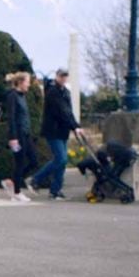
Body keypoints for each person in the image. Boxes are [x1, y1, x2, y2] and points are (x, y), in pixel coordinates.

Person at [30, 68, 84, 200]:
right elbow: (61, 111)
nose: (64, 78)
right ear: (57, 76)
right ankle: (35, 179)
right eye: (62, 76)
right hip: (53, 130)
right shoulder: (53, 91)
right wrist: (74, 127)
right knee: (61, 159)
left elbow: (68, 112)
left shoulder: (65, 92)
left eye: (65, 76)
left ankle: (55, 190)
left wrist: (76, 126)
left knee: (61, 161)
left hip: (62, 131)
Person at [0, 71, 37, 202]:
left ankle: (12, 181)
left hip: (26, 133)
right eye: (27, 82)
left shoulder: (22, 96)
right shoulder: (13, 96)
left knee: (33, 160)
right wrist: (13, 137)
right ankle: (17, 192)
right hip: (18, 135)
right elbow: (12, 118)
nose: (29, 85)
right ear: (20, 83)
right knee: (20, 162)